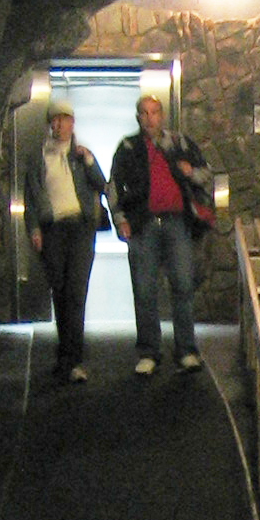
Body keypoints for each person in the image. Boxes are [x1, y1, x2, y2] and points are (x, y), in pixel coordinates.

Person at [109, 93, 213, 375]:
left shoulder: (179, 143)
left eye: (154, 112)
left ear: (162, 115)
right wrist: (121, 220)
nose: (149, 118)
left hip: (177, 222)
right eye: (144, 113)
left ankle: (186, 350)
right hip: (143, 224)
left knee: (183, 285)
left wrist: (189, 172)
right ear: (137, 117)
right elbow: (113, 186)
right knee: (144, 289)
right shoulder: (128, 148)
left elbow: (206, 174)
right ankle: (148, 352)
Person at [22, 93, 108, 383]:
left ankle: (73, 359)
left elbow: (102, 185)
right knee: (59, 291)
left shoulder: (81, 155)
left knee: (76, 292)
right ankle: (66, 355)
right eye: (55, 120)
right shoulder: (39, 157)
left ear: (73, 123)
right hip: (53, 230)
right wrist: (34, 228)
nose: (60, 125)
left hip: (80, 228)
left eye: (65, 120)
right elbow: (31, 196)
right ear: (50, 124)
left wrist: (89, 160)